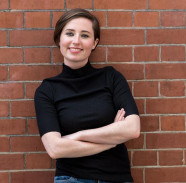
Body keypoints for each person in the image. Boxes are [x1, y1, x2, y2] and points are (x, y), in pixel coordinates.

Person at [34, 8, 140, 183]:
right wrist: (111, 140)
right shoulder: (47, 90)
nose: (76, 41)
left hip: (116, 178)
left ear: (95, 43)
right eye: (69, 33)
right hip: (71, 178)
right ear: (59, 39)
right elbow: (55, 149)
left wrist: (78, 135)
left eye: (84, 35)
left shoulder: (111, 78)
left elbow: (132, 129)